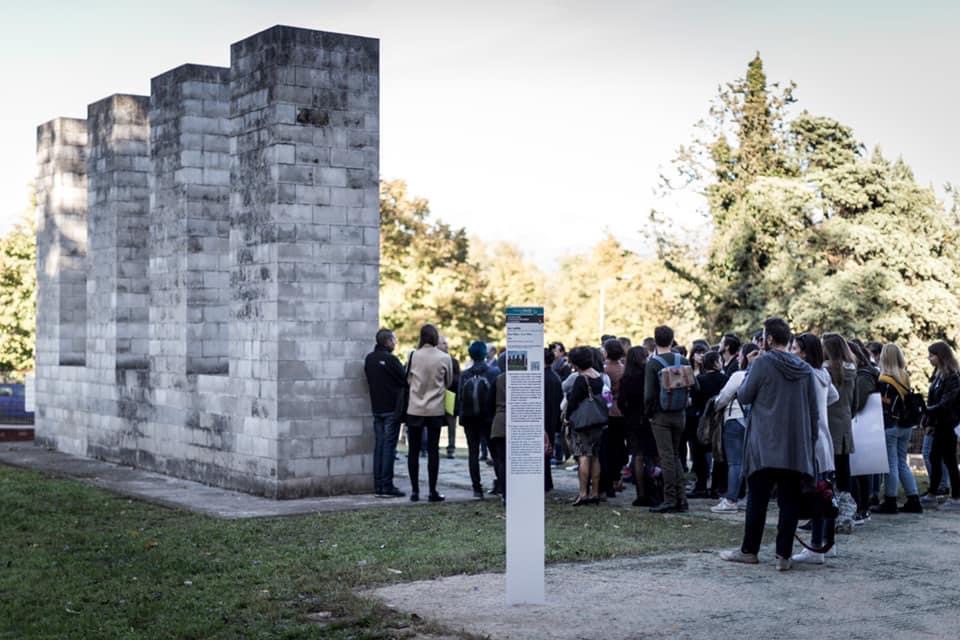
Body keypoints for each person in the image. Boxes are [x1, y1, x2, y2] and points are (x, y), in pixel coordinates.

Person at [720, 318, 818, 571]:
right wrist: (811, 442)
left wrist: (750, 368)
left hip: (764, 442)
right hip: (795, 445)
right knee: (789, 501)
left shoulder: (762, 363)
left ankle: (749, 550)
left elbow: (744, 395)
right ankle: (783, 555)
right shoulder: (804, 368)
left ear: (770, 339)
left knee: (758, 498)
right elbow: (813, 410)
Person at [789, 333, 838, 564]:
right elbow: (833, 397)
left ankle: (816, 546)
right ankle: (827, 543)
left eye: (795, 348)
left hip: (810, 440)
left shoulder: (804, 374)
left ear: (805, 352)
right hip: (824, 439)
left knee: (815, 495)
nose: (792, 352)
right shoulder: (824, 374)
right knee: (825, 493)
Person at [645, 325, 695, 514]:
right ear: (672, 339)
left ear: (655, 340)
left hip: (661, 415)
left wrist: (649, 414)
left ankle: (669, 499)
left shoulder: (653, 363)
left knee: (666, 457)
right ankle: (682, 498)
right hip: (680, 414)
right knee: (675, 456)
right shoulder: (682, 359)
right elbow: (694, 385)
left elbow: (649, 394)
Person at [872, 343, 923, 514]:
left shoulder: (884, 379)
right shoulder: (904, 376)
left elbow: (883, 403)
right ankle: (913, 498)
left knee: (891, 464)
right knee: (902, 461)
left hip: (890, 425)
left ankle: (890, 500)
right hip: (906, 424)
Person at [405, 324, 453, 502]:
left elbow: (409, 380)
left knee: (413, 451)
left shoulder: (413, 355)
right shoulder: (444, 357)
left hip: (415, 409)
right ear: (434, 337)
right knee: (433, 451)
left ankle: (415, 491)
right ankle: (432, 490)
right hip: (435, 410)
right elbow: (448, 382)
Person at [711, 342, 759, 513]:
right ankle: (748, 498)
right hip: (754, 422)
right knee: (752, 462)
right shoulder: (760, 375)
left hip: (734, 419)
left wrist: (715, 406)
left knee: (735, 462)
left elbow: (724, 397)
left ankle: (731, 499)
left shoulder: (739, 375)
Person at [363, 328, 407, 498]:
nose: (395, 343)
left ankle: (378, 484)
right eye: (394, 340)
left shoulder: (369, 359)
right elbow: (404, 379)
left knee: (379, 446)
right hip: (391, 409)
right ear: (387, 341)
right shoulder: (391, 360)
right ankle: (387, 485)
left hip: (377, 408)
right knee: (389, 447)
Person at [822, 333, 857, 531]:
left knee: (828, 471)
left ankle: (826, 514)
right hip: (845, 422)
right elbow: (855, 401)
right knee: (844, 469)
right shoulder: (852, 371)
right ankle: (846, 514)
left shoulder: (825, 371)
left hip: (829, 422)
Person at [619, 346, 660, 507]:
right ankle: (658, 490)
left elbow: (622, 402)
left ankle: (641, 493)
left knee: (638, 456)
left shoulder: (627, 378)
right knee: (656, 455)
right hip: (650, 418)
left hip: (633, 421)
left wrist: (628, 414)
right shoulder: (650, 375)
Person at [921, 341, 960, 509]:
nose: (929, 358)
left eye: (932, 355)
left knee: (948, 459)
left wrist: (927, 411)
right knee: (935, 457)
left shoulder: (953, 376)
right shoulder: (938, 375)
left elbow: (946, 402)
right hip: (939, 423)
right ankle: (933, 492)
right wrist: (929, 420)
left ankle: (955, 497)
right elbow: (934, 399)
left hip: (948, 423)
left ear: (941, 356)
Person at [566, 346, 607, 506]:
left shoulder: (580, 379)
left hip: (583, 423)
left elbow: (573, 402)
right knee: (595, 457)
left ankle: (583, 493)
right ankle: (595, 492)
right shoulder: (598, 376)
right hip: (598, 421)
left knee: (583, 456)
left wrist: (567, 418)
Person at [458, 341, 499, 499]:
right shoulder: (493, 372)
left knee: (472, 453)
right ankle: (500, 483)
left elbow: (461, 398)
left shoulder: (465, 374)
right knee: (495, 452)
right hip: (488, 418)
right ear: (485, 354)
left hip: (469, 419)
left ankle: (477, 488)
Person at [689, 351, 727, 498]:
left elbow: (694, 399)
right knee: (718, 452)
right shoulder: (724, 379)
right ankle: (716, 487)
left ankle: (701, 485)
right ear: (716, 363)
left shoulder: (700, 379)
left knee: (699, 454)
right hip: (719, 420)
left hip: (701, 420)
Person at [849, 340, 878, 525]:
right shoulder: (861, 373)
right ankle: (861, 507)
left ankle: (862, 508)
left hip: (861, 425)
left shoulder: (863, 375)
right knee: (858, 471)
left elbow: (857, 402)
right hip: (861, 426)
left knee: (860, 471)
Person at [600, 338, 627, 498]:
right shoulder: (624, 368)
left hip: (608, 411)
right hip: (622, 412)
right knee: (618, 447)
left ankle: (606, 483)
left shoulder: (604, 370)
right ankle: (617, 478)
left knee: (606, 449)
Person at [438, 336, 461, 460]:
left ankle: (451, 448)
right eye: (444, 343)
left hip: (449, 397)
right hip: (436, 397)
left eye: (447, 343)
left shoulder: (453, 361)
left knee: (451, 424)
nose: (446, 346)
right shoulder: (434, 360)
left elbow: (458, 380)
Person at [544, 347, 564, 492]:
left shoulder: (545, 378)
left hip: (545, 418)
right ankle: (547, 481)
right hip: (551, 418)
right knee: (546, 451)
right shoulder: (554, 377)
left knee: (544, 450)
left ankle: (545, 481)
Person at [489, 367, 507, 503]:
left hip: (500, 422)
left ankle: (504, 492)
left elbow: (489, 402)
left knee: (502, 461)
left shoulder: (499, 379)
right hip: (521, 422)